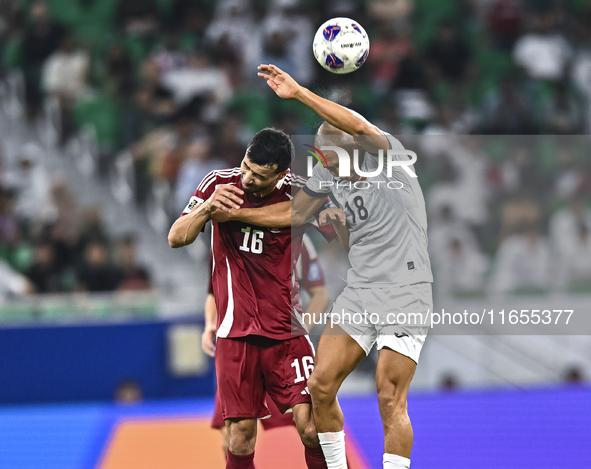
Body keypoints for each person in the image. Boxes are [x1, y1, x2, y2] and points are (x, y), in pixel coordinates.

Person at [213, 64, 433, 469]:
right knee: (320, 385)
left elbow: (359, 126)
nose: (323, 161)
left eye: (330, 154)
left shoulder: (389, 158)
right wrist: (236, 215)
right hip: (361, 290)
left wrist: (298, 93)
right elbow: (293, 214)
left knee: (388, 394)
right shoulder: (327, 174)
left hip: (406, 288)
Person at [168, 127, 333, 469]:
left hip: (288, 332)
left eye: (258, 175)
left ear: (281, 174)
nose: (246, 179)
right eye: (245, 166)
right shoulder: (217, 183)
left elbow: (334, 226)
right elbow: (176, 237)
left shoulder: (300, 191)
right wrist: (207, 210)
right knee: (240, 438)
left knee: (314, 427)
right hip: (236, 333)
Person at [203, 233, 331, 459]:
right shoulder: (227, 231)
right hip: (238, 344)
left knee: (312, 427)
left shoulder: (296, 235)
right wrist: (209, 324)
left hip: (282, 348)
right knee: (232, 439)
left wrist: (296, 333)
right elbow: (215, 288)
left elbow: (320, 295)